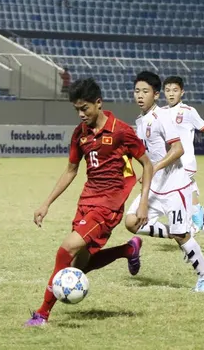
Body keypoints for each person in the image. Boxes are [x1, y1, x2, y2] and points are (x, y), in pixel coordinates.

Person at [25, 78, 153, 327]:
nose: (81, 114)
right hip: (87, 201)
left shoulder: (121, 130)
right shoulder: (79, 134)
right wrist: (46, 204)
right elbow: (71, 170)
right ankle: (128, 250)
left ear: (98, 103)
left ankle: (42, 314)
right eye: (76, 110)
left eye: (85, 108)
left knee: (65, 250)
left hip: (108, 206)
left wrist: (144, 201)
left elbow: (146, 165)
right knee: (78, 266)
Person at [125, 71, 204, 292]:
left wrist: (153, 168)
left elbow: (178, 149)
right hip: (155, 185)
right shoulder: (140, 120)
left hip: (175, 185)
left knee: (180, 235)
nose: (140, 95)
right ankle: (179, 232)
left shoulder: (163, 117)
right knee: (131, 222)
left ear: (156, 95)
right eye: (137, 91)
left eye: (145, 91)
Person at [162, 76, 204, 255]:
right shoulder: (161, 112)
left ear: (182, 92)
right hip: (171, 167)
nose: (171, 93)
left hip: (185, 164)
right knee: (192, 205)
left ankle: (193, 229)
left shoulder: (188, 111)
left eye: (174, 90)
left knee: (181, 204)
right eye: (168, 90)